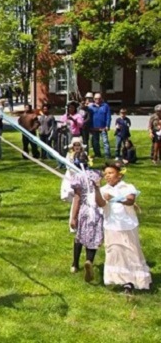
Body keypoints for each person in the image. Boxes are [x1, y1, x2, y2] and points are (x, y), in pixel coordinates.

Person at [94, 162, 151, 294]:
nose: (107, 176)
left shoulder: (128, 187)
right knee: (115, 254)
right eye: (105, 174)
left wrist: (115, 197)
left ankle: (134, 281)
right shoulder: (103, 189)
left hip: (128, 226)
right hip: (111, 226)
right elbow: (101, 203)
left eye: (111, 173)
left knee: (131, 253)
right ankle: (122, 281)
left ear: (119, 175)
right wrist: (96, 189)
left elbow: (130, 200)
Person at [68, 152, 103, 282]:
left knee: (79, 237)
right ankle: (89, 261)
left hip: (84, 210)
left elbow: (77, 198)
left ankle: (75, 264)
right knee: (93, 238)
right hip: (97, 210)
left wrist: (73, 217)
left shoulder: (77, 177)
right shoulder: (97, 174)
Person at [89, 93, 112, 158]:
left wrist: (108, 125)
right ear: (94, 99)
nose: (98, 100)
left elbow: (108, 117)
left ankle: (107, 155)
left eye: (99, 98)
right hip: (94, 128)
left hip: (103, 127)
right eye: (96, 98)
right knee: (95, 143)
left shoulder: (105, 106)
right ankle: (97, 154)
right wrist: (90, 127)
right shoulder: (91, 107)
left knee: (105, 142)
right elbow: (89, 118)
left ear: (101, 99)